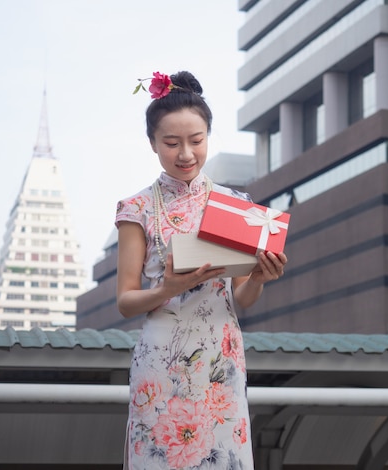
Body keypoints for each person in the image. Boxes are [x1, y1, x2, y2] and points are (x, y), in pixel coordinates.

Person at [115, 70, 287, 469]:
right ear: (152, 143)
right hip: (162, 361)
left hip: (220, 358)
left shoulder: (235, 205)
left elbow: (241, 296)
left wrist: (259, 277)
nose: (186, 154)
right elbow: (125, 301)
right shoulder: (136, 209)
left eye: (197, 140)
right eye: (171, 143)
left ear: (209, 135)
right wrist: (167, 288)